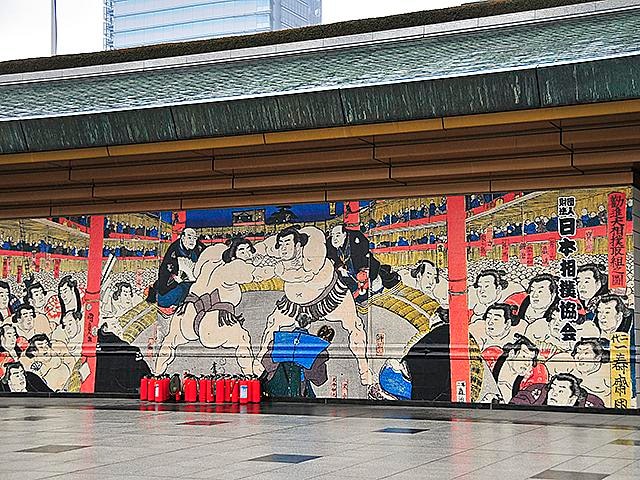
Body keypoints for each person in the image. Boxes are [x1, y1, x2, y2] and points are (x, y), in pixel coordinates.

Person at [258, 226, 373, 385]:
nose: (283, 247)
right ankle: (258, 366)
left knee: (355, 325)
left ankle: (364, 368)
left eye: (287, 243)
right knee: (272, 321)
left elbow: (307, 272)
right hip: (296, 303)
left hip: (330, 296)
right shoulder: (280, 264)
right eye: (281, 244)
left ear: (298, 246)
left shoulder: (314, 254)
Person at [155, 239, 266, 376]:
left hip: (189, 311)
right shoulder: (236, 265)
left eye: (249, 250)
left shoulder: (210, 261)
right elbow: (259, 274)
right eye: (242, 250)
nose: (247, 254)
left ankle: (157, 374)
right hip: (213, 318)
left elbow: (196, 271)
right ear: (233, 254)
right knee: (242, 339)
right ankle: (252, 376)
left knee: (170, 340)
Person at [326, 224, 399, 300]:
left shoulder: (355, 240)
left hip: (362, 270)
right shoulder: (332, 245)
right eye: (333, 235)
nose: (334, 239)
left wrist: (363, 271)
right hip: (348, 274)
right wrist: (339, 265)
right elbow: (333, 258)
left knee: (371, 285)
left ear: (344, 235)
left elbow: (364, 253)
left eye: (338, 235)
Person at [155, 228, 206, 309]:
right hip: (172, 286)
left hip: (192, 280)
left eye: (195, 238)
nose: (192, 241)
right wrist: (175, 279)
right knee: (176, 293)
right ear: (182, 238)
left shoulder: (197, 246)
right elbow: (166, 271)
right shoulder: (174, 250)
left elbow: (207, 252)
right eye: (189, 237)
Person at [492, 334, 540, 403]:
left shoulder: (522, 390)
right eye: (524, 357)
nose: (527, 363)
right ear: (512, 353)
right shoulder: (489, 373)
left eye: (531, 360)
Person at [510, 372, 604, 408]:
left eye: (560, 391)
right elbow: (516, 403)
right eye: (552, 388)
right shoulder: (535, 392)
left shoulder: (591, 403)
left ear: (572, 399)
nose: (554, 394)